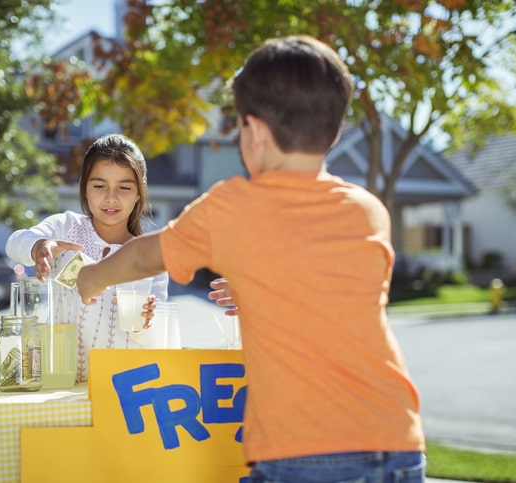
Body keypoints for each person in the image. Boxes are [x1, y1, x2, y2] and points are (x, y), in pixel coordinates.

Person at [76, 36, 425, 481]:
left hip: (304, 447)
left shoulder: (234, 205)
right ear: (334, 133)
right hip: (396, 435)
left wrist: (93, 278)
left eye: (239, 127)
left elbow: (145, 254)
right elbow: (328, 295)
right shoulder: (367, 209)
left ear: (254, 131)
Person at [6, 133, 168, 382]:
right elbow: (14, 243)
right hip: (59, 382)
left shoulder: (149, 256)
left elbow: (155, 338)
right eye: (99, 185)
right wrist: (39, 247)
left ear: (139, 192)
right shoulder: (65, 227)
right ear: (84, 187)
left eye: (124, 187)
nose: (111, 197)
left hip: (119, 389)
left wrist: (145, 323)